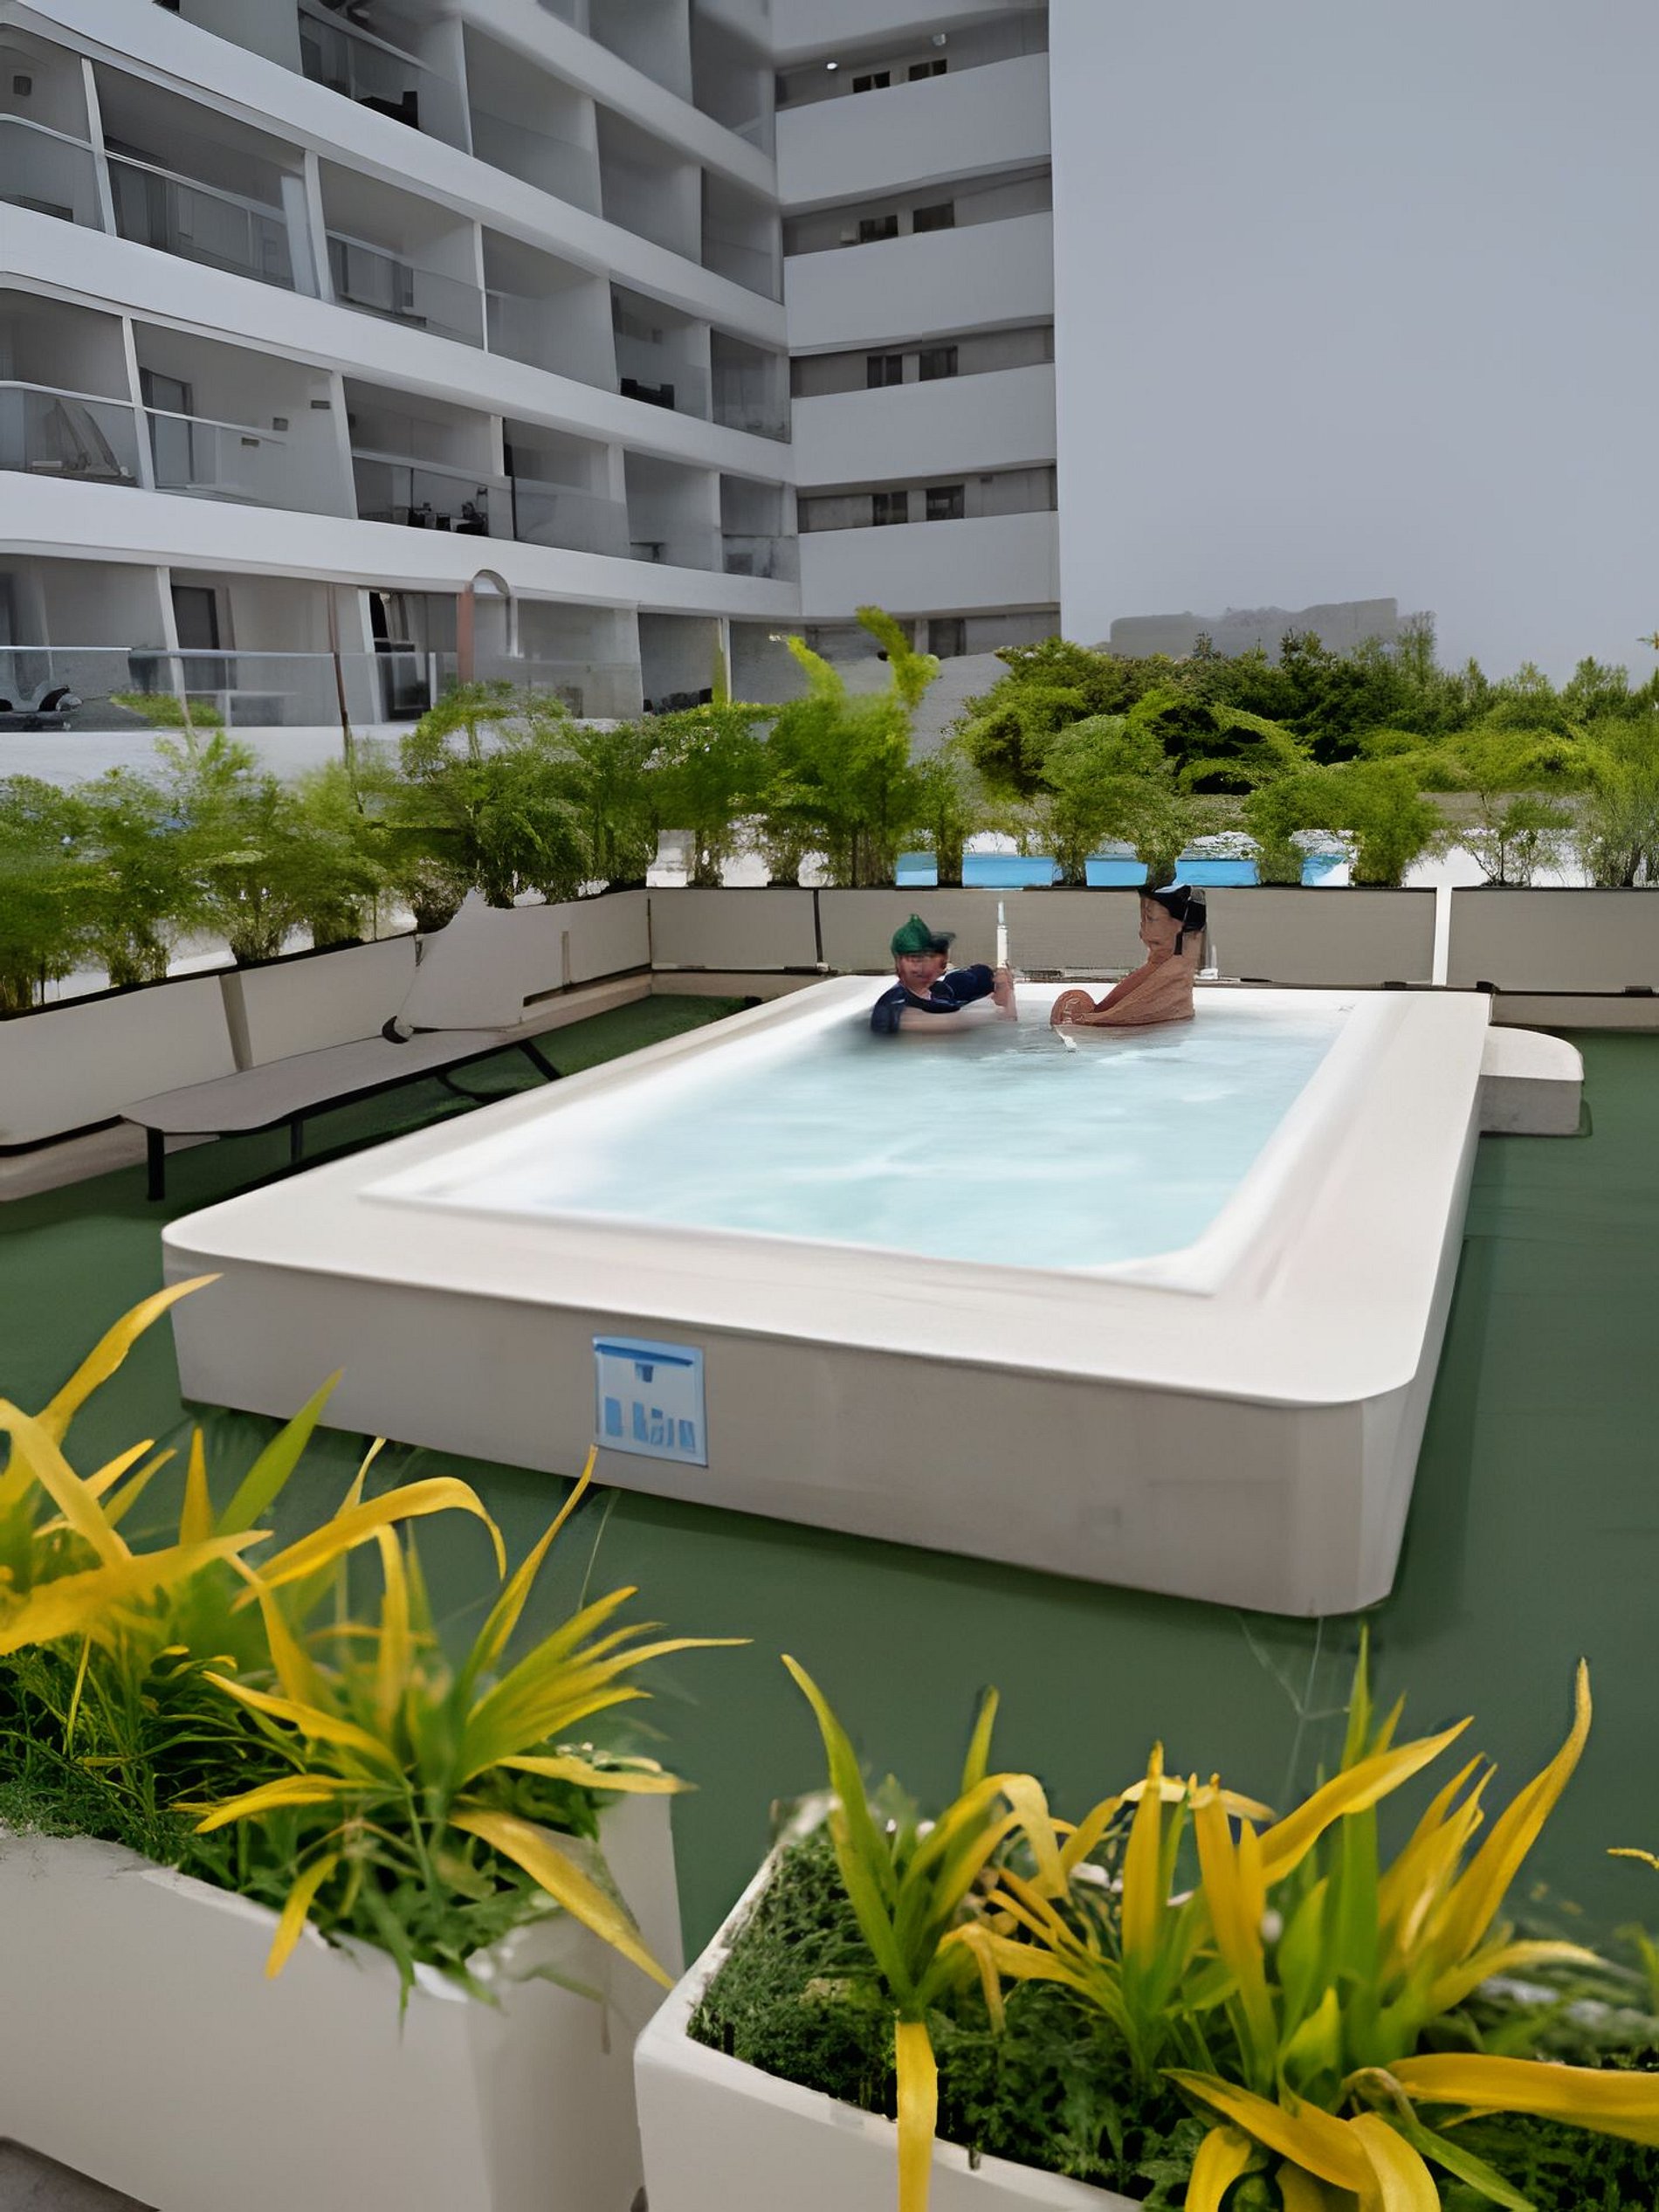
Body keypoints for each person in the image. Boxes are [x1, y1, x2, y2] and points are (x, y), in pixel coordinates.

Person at [1050, 882, 1206, 1030]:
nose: (1143, 933)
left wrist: (1091, 1019)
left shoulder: (1176, 970)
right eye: (1143, 920)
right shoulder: (1165, 964)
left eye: (1151, 918)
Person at [870, 913, 1016, 1034]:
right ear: (898, 964)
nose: (920, 967)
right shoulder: (894, 1007)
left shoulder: (940, 989)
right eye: (913, 960)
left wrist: (1002, 988)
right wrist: (1007, 999)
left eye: (926, 958)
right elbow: (954, 1023)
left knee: (978, 975)